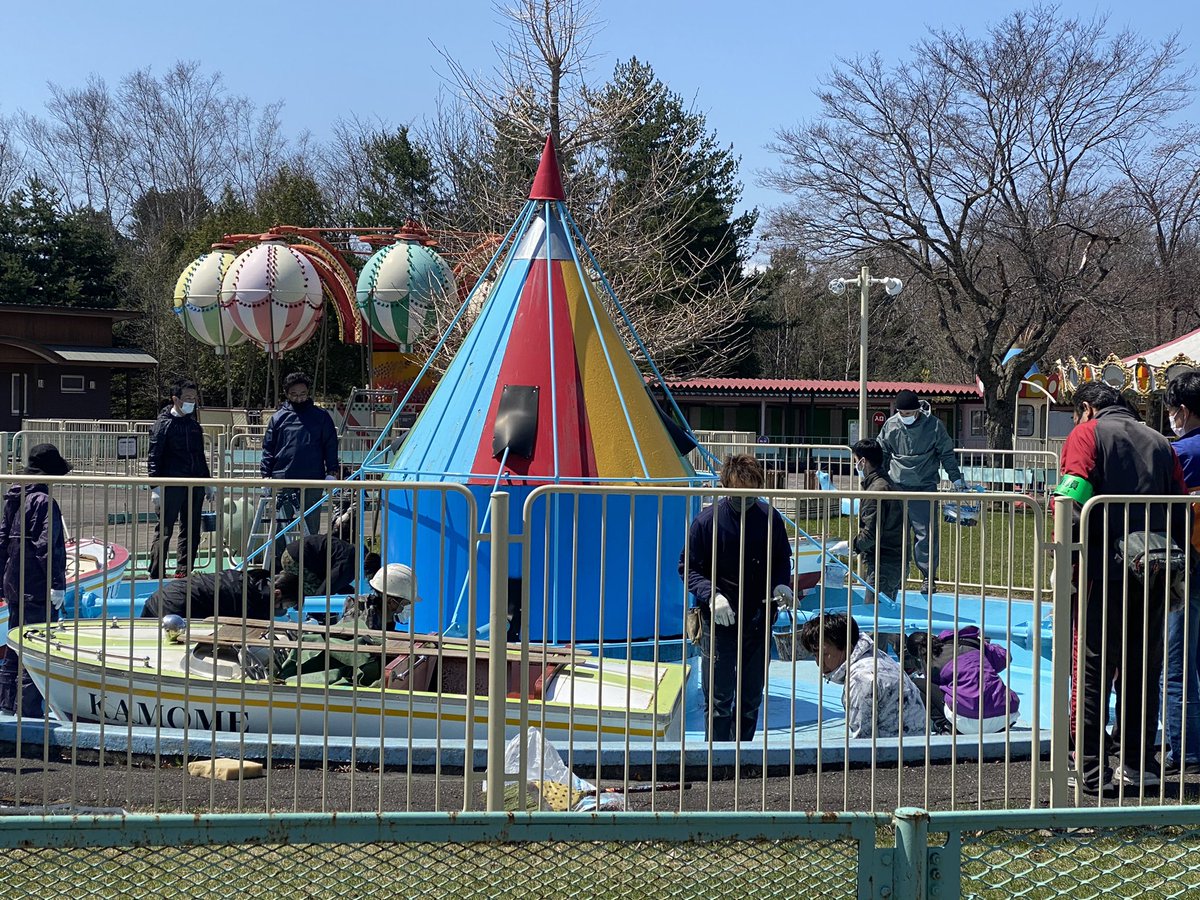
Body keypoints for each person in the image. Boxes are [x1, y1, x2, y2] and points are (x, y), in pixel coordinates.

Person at [1056, 381, 1187, 792]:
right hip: (1156, 570)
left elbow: (1070, 497)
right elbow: (1182, 503)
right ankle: (1138, 765)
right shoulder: (1162, 442)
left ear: (1085, 409)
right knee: (1142, 671)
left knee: (1094, 669)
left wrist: (1063, 548)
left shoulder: (1086, 434)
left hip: (1102, 570)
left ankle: (1093, 772)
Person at [679, 454, 794, 742]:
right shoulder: (707, 522)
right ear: (726, 486)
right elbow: (688, 568)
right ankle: (716, 762)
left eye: (751, 490)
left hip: (759, 618)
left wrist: (783, 584)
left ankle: (743, 758)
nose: (745, 497)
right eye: (738, 491)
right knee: (719, 699)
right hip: (719, 622)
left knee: (751, 697)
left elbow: (781, 559)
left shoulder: (770, 518)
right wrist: (711, 595)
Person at [0, 443, 71, 717]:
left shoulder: (13, 497)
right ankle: (28, 710)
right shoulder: (44, 502)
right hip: (37, 584)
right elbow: (47, 547)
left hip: (14, 581)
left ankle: (7, 704)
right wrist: (57, 583)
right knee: (36, 645)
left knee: (14, 643)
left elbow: (3, 540)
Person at [876, 389, 966, 593]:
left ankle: (928, 577)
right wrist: (876, 476)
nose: (904, 417)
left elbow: (946, 453)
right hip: (897, 488)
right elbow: (881, 452)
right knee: (896, 535)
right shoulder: (891, 425)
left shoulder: (933, 426)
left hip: (924, 487)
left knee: (925, 534)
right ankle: (895, 577)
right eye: (901, 413)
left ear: (917, 411)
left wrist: (956, 478)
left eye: (908, 413)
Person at [276, 563, 421, 687]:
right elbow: (358, 651)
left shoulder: (382, 614)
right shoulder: (364, 617)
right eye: (406, 604)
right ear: (391, 602)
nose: (409, 608)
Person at [799, 612, 926, 739]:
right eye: (815, 655)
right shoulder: (876, 655)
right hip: (914, 746)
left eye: (824, 654)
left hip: (895, 754)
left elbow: (863, 745)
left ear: (846, 646)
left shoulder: (862, 680)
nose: (818, 663)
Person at [1162, 371, 1200, 775]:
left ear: (1183, 411)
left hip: (1185, 567)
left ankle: (1185, 750)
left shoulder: (1180, 453)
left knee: (1176, 667)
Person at [147, 380, 213, 579]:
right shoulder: (163, 424)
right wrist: (155, 486)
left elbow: (200, 456)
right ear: (175, 399)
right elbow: (153, 456)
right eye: (187, 398)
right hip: (171, 483)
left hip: (195, 482)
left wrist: (208, 482)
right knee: (165, 529)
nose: (191, 402)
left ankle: (184, 571)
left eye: (194, 398)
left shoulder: (194, 425)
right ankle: (156, 572)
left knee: (191, 528)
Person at [261, 372, 340, 539]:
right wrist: (265, 475)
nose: (299, 398)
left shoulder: (321, 416)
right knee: (280, 527)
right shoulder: (278, 418)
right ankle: (278, 562)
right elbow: (268, 447)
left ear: (308, 393)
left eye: (303, 394)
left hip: (312, 479)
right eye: (294, 394)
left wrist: (332, 471)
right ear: (287, 394)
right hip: (283, 478)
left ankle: (309, 561)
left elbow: (330, 444)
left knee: (311, 526)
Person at [905, 627, 1020, 734]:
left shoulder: (931, 662)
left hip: (966, 723)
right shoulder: (970, 642)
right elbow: (1006, 658)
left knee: (916, 684)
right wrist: (984, 647)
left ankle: (945, 726)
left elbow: (937, 693)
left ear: (918, 656)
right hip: (1006, 717)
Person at [851, 439, 904, 603]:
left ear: (863, 461)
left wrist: (851, 546)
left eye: (854, 461)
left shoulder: (875, 491)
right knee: (885, 617)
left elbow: (870, 533)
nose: (855, 466)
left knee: (876, 618)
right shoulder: (887, 484)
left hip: (884, 563)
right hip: (894, 560)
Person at [140, 568, 301, 621]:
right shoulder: (255, 604)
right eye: (287, 606)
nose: (284, 611)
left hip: (159, 598)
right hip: (174, 609)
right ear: (277, 594)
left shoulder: (249, 579)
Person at [281, 533, 381, 598]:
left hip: (295, 552)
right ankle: (307, 614)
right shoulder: (349, 567)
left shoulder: (355, 554)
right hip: (295, 560)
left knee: (319, 582)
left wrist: (352, 592)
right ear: (367, 571)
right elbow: (326, 590)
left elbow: (337, 580)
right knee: (314, 591)